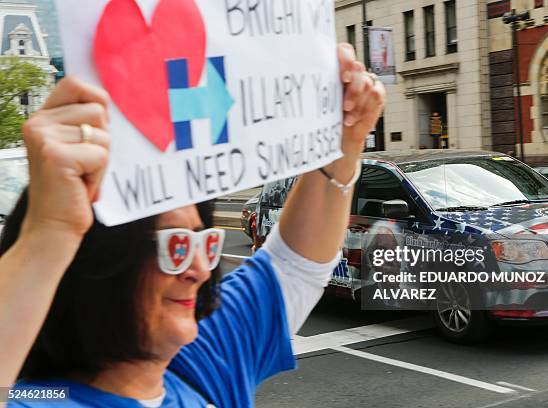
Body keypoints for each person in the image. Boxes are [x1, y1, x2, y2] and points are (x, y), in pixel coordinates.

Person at [0, 43, 385, 408]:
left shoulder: (201, 355)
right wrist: (48, 232)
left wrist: (343, 143)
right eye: (176, 246)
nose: (201, 271)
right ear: (92, 261)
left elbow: (295, 265)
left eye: (206, 244)